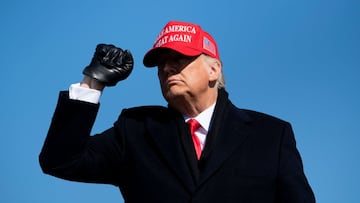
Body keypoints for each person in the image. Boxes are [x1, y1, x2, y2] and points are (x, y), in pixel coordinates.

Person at [39, 20, 316, 203]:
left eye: (179, 59)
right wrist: (93, 81)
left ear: (213, 69)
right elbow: (60, 160)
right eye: (161, 64)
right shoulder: (135, 130)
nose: (167, 68)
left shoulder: (270, 135)